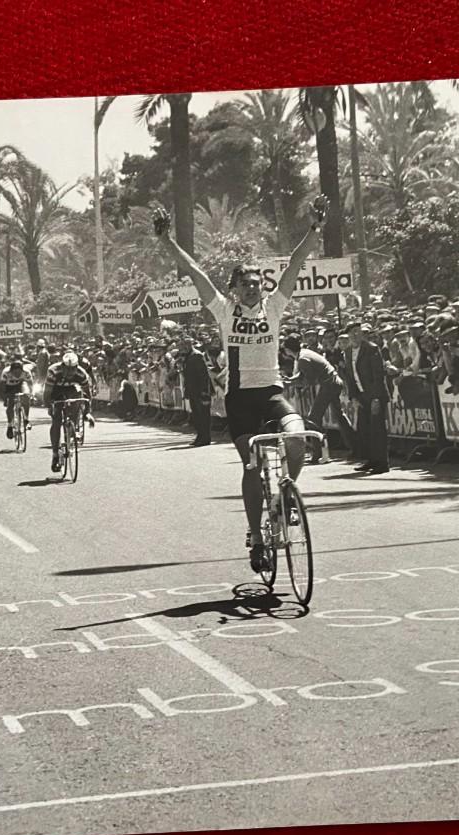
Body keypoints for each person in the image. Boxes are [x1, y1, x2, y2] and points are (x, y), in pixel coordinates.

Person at [153, 192, 329, 572]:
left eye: (256, 283)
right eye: (245, 284)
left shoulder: (275, 306)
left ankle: (283, 499)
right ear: (234, 289)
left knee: (297, 439)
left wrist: (314, 229)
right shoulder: (224, 310)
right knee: (252, 463)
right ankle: (255, 533)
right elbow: (196, 273)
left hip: (271, 392)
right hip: (239, 398)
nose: (252, 288)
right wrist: (168, 242)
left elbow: (297, 263)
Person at [282, 334, 355, 463]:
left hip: (329, 384)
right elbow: (303, 375)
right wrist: (291, 380)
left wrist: (290, 383)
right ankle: (356, 446)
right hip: (332, 382)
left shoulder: (303, 359)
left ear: (288, 350)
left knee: (313, 418)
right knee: (339, 416)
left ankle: (318, 453)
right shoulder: (304, 353)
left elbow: (309, 381)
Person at [347, 323, 390, 474]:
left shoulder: (371, 349)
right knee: (364, 430)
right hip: (361, 395)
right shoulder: (347, 352)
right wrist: (353, 396)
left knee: (377, 430)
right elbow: (349, 376)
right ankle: (371, 460)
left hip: (374, 394)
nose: (355, 335)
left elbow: (378, 375)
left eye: (358, 332)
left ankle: (382, 463)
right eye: (352, 333)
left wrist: (377, 398)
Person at [46, 351, 95, 472]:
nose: (69, 372)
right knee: (56, 420)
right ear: (62, 366)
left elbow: (87, 395)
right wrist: (49, 406)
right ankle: (55, 454)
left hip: (72, 389)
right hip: (56, 391)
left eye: (72, 369)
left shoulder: (81, 373)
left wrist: (87, 412)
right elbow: (47, 393)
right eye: (67, 369)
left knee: (78, 397)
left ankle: (72, 427)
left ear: (77, 367)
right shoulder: (53, 371)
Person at [179, 335, 212, 446]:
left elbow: (203, 375)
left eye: (186, 344)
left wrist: (204, 391)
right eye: (182, 345)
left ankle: (205, 438)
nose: (184, 347)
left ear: (190, 344)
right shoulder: (187, 357)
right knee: (196, 416)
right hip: (193, 390)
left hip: (200, 391)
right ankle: (200, 436)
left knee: (203, 415)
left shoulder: (196, 355)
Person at [0, 355, 34, 440]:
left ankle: (26, 419)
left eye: (19, 372)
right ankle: (10, 425)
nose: (17, 374)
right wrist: (5, 399)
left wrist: (31, 395)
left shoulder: (26, 372)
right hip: (8, 387)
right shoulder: (6, 372)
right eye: (15, 372)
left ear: (22, 370)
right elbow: (1, 388)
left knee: (26, 397)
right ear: (11, 371)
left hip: (21, 385)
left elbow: (31, 385)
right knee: (10, 405)